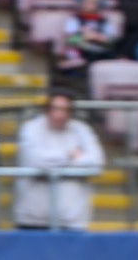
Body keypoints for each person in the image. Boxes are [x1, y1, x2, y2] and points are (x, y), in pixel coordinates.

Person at [14, 90, 105, 229]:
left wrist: (56, 164)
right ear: (47, 109)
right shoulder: (31, 128)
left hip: (72, 220)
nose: (60, 115)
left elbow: (96, 163)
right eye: (55, 109)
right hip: (33, 219)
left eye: (65, 110)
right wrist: (70, 155)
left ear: (71, 112)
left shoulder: (82, 130)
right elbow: (37, 161)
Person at [57, 0, 116, 83]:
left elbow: (112, 40)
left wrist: (95, 36)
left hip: (100, 52)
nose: (89, 3)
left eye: (94, 1)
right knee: (72, 50)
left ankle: (84, 63)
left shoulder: (105, 21)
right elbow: (70, 39)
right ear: (80, 1)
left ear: (100, 3)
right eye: (86, 0)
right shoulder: (74, 20)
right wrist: (83, 38)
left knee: (110, 53)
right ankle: (78, 64)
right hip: (82, 50)